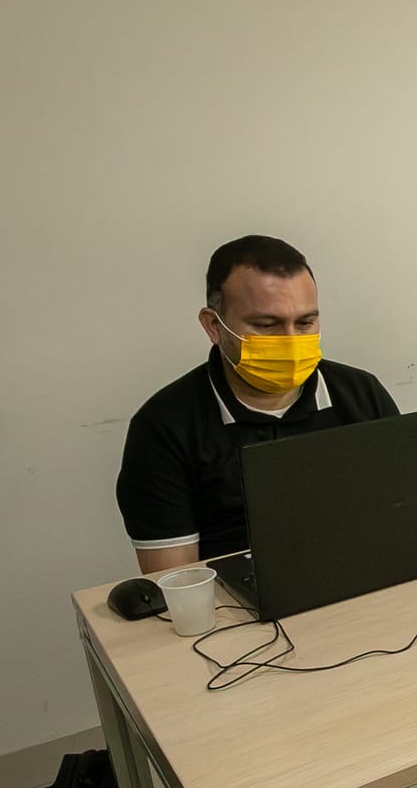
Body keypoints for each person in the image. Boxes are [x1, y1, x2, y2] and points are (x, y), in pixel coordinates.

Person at [116, 235, 400, 574]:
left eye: (305, 322)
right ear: (213, 326)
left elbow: (404, 517)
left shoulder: (360, 394)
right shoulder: (164, 426)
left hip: (364, 583)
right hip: (236, 609)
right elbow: (176, 584)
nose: (291, 341)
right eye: (267, 325)